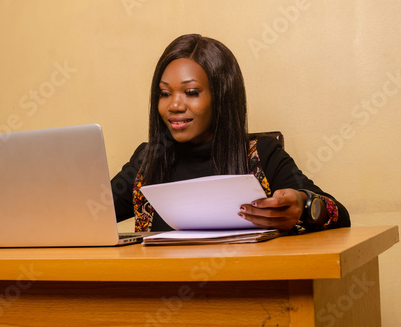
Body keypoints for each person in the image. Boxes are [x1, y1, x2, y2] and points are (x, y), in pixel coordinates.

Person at [111, 34, 350, 233]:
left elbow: (341, 217)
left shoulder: (260, 155)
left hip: (246, 287)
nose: (174, 105)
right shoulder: (147, 160)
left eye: (191, 92)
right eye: (164, 93)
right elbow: (88, 215)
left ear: (221, 97)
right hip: (157, 286)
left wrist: (303, 204)